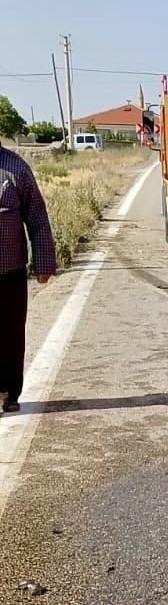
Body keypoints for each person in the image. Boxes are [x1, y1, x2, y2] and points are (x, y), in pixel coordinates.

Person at [0, 144, 56, 413]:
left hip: (9, 272)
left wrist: (43, 263)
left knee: (9, 333)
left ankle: (8, 392)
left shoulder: (16, 168)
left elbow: (37, 216)